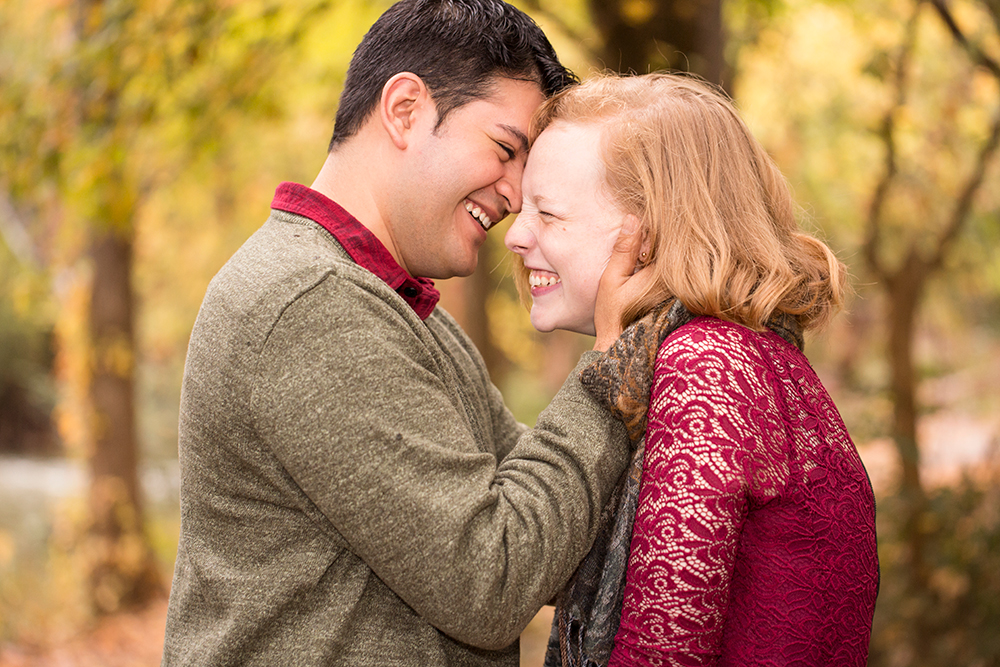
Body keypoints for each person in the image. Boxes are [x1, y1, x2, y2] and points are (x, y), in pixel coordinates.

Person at [161, 2, 646, 665]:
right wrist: (609, 369)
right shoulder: (312, 305)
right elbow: (494, 579)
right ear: (406, 109)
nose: (513, 196)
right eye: (505, 150)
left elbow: (548, 538)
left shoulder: (402, 313)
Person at [505, 72, 879, 666]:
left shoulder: (707, 365)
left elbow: (663, 649)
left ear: (646, 238)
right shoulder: (754, 358)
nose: (516, 236)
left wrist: (611, 364)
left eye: (549, 214)